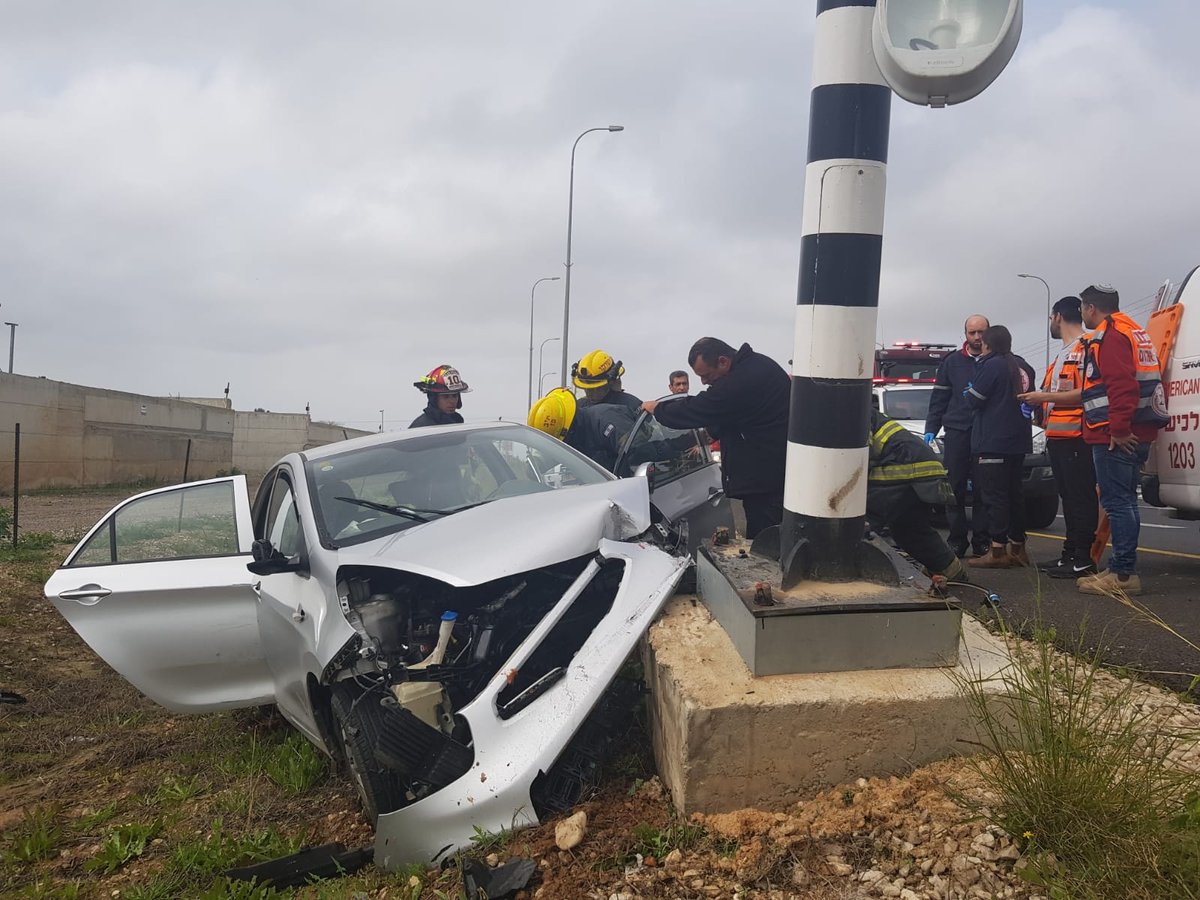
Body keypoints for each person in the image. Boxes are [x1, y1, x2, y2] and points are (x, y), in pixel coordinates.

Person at [1073, 284, 1169, 595]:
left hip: (1116, 435)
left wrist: (1118, 428)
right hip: (1133, 430)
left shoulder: (1110, 336)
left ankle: (1124, 574)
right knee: (1123, 501)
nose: (1082, 315)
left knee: (1119, 503)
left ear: (1090, 308)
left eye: (1082, 309)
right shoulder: (1133, 330)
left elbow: (1121, 385)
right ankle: (1118, 569)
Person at [643, 338, 789, 539]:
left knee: (767, 548)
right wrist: (708, 434)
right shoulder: (755, 367)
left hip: (768, 485)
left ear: (723, 361)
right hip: (772, 477)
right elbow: (737, 413)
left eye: (706, 375)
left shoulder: (742, 380)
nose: (704, 382)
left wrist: (658, 409)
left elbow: (699, 408)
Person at [1017, 297, 1098, 578]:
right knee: (1069, 498)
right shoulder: (1063, 353)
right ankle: (1070, 555)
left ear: (1056, 317)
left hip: (1078, 435)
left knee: (1080, 498)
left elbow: (1089, 392)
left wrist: (1044, 396)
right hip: (1059, 437)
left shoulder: (1087, 348)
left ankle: (1083, 559)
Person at [964, 325, 1037, 569]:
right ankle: (1018, 548)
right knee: (1015, 494)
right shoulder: (1024, 365)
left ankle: (997, 551)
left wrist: (969, 391)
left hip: (992, 441)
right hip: (1018, 441)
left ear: (988, 344)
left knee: (994, 496)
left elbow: (975, 399)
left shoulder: (992, 365)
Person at [867, 409, 967, 583]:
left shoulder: (849, 408)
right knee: (910, 531)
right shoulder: (855, 406)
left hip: (903, 470)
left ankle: (849, 572)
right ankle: (953, 573)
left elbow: (856, 457)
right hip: (920, 471)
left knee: (862, 522)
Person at [924, 315, 991, 558]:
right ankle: (957, 540)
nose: (977, 337)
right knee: (954, 490)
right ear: (965, 334)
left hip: (985, 434)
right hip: (957, 433)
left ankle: (982, 541)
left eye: (981, 332)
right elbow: (939, 398)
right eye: (972, 333)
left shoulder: (995, 361)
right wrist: (932, 427)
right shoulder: (952, 362)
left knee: (984, 491)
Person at [528, 387, 637, 473]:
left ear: (567, 430)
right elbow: (549, 457)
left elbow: (641, 456)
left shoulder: (607, 421)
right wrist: (530, 468)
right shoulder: (573, 436)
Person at [571, 350, 642, 412]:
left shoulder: (631, 406)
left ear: (610, 383)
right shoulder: (578, 408)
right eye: (586, 388)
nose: (590, 393)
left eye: (596, 388)